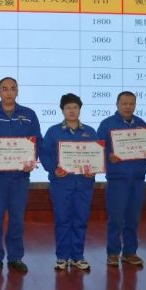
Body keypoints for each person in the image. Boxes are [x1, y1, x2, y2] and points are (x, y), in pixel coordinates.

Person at [0, 77, 43, 273]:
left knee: (17, 219)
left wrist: (32, 160)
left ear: (17, 91)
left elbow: (37, 141)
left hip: (20, 177)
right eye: (4, 89)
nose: (9, 92)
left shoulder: (29, 115)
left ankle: (15, 258)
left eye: (12, 88)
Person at [97, 91, 146, 267]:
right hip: (117, 179)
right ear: (117, 104)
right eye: (124, 103)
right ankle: (113, 253)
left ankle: (130, 252)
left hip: (138, 179)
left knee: (133, 218)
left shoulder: (141, 124)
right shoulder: (107, 124)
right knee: (115, 218)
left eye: (131, 103)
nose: (128, 107)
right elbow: (98, 149)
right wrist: (109, 156)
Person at [41, 93, 97, 271]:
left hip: (84, 184)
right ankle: (62, 257)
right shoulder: (53, 132)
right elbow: (44, 154)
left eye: (75, 107)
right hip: (61, 184)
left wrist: (94, 169)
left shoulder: (90, 132)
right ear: (62, 110)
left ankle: (78, 256)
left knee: (81, 219)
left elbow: (97, 156)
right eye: (68, 108)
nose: (72, 111)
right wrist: (54, 169)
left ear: (80, 109)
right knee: (62, 220)